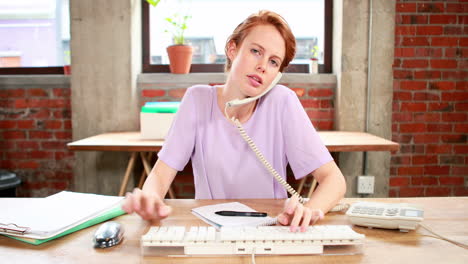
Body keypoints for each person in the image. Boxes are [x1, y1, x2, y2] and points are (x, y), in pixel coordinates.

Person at [123, 10, 346, 232]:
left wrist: (311, 210)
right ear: (232, 49)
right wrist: (150, 200)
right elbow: (160, 175)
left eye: (274, 62)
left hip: (271, 229)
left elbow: (333, 180)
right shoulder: (197, 100)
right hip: (210, 230)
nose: (263, 66)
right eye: (256, 51)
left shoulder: (282, 101)